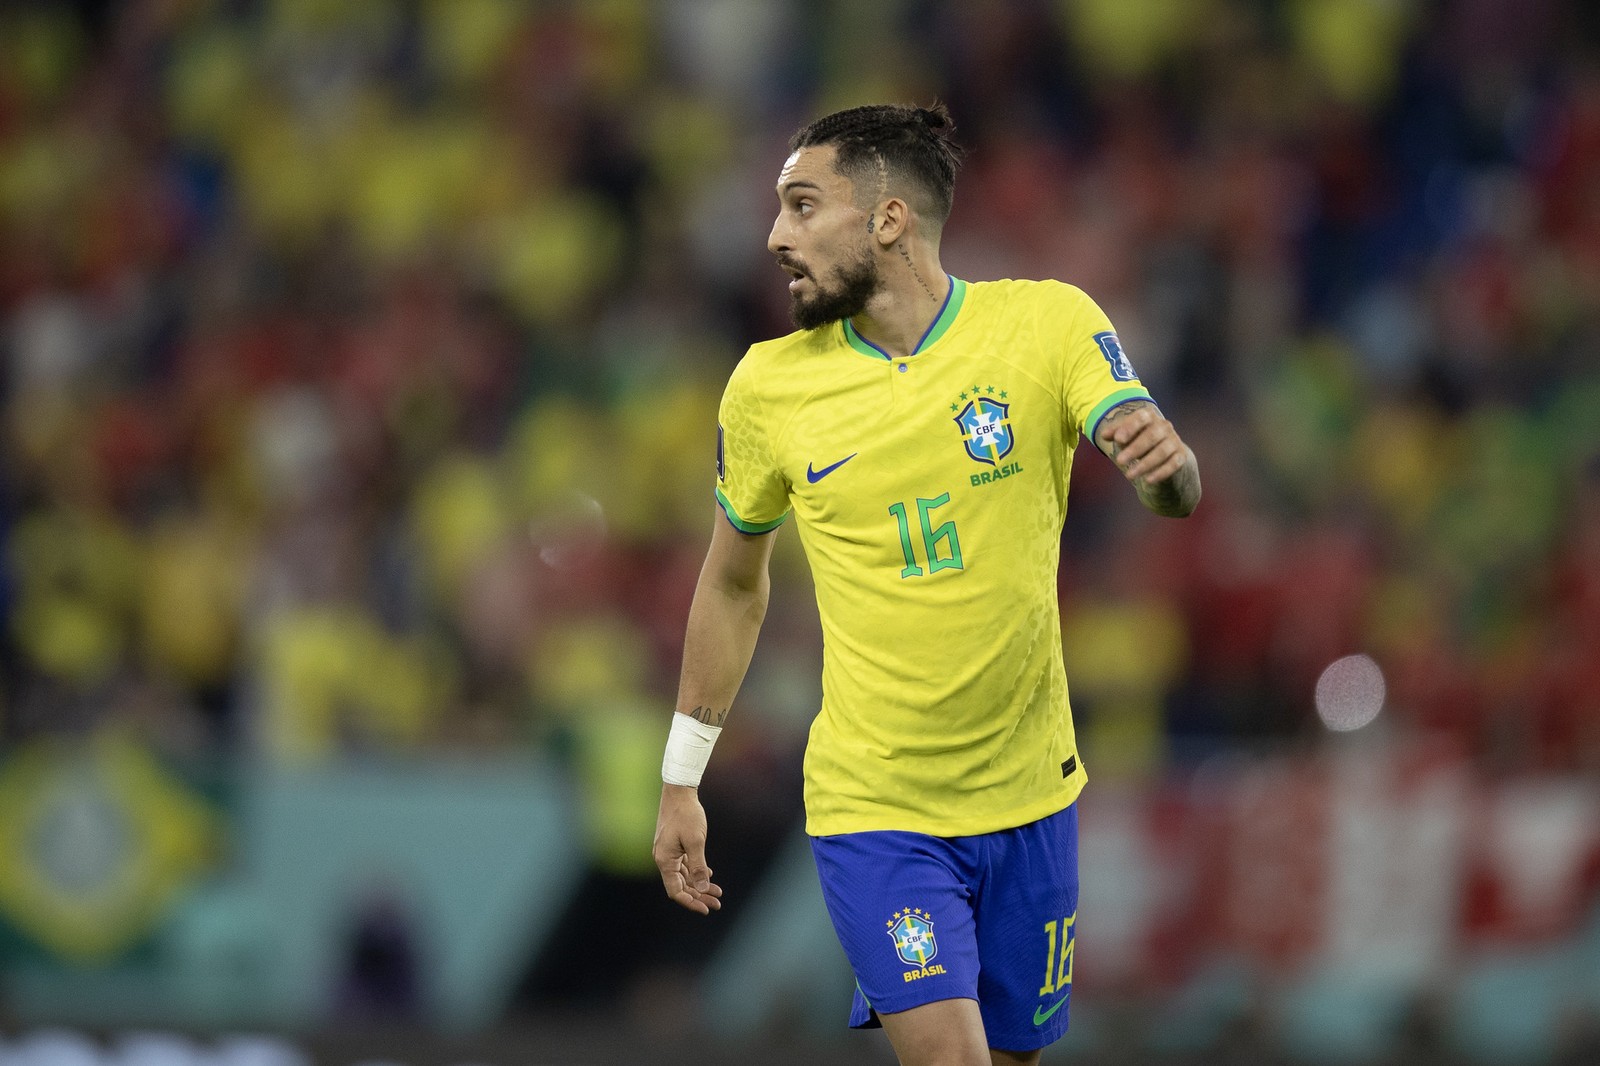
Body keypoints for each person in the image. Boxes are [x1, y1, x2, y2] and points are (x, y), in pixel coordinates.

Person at [652, 103, 1201, 1066]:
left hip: (1032, 800)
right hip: (878, 812)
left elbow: (1170, 485)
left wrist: (1167, 471)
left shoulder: (1047, 324)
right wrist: (681, 776)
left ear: (890, 218)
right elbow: (734, 586)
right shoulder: (768, 388)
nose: (777, 235)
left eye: (802, 204)